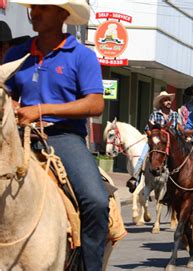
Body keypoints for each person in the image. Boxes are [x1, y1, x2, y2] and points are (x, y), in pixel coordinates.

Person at [5, 1, 108, 269]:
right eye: (33, 7)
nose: (34, 12)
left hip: (63, 137)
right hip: (17, 135)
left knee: (96, 201)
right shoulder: (18, 54)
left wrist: (40, 110)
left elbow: (95, 104)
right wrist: (12, 106)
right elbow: (5, 95)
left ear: (63, 14)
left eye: (43, 7)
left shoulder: (81, 55)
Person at [126, 91, 180, 192]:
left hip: (169, 143)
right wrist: (153, 138)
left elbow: (178, 129)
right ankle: (135, 179)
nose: (168, 102)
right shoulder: (154, 115)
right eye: (165, 100)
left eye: (169, 100)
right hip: (156, 143)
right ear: (161, 103)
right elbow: (147, 129)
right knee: (142, 156)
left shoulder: (175, 115)